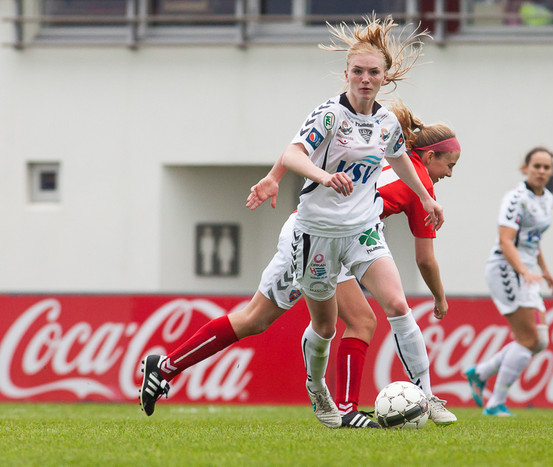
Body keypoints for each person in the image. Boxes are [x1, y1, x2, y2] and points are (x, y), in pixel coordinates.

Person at [139, 16, 453, 428]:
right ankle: (167, 368)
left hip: (360, 232)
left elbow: (397, 157)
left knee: (392, 306)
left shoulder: (386, 123)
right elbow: (293, 152)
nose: (365, 79)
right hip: (314, 235)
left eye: (373, 72)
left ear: (385, 76)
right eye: (358, 71)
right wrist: (320, 176)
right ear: (346, 73)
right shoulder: (330, 115)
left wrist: (426, 196)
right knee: (278, 321)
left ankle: (412, 398)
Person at [464, 146, 553, 417]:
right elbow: (506, 241)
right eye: (536, 166)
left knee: (539, 340)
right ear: (525, 168)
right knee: (528, 338)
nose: (541, 171)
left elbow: (533, 239)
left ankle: (480, 373)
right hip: (507, 268)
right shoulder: (516, 198)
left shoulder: (547, 198)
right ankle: (495, 403)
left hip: (527, 271)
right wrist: (524, 271)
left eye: (547, 167)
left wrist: (544, 269)